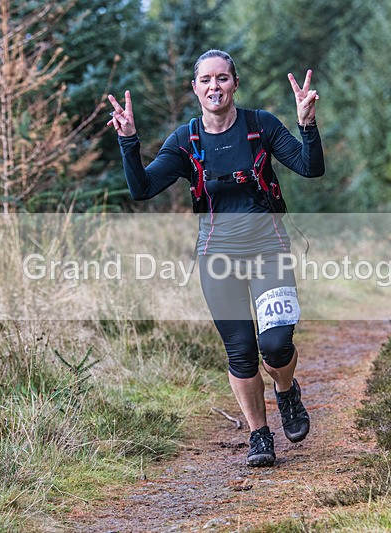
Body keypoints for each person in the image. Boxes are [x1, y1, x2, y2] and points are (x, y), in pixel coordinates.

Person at [107, 49, 324, 467]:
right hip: (217, 257)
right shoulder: (185, 140)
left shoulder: (261, 126)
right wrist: (128, 141)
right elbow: (143, 189)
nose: (214, 87)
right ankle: (260, 435)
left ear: (235, 84)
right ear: (195, 88)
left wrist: (307, 125)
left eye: (222, 78)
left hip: (268, 249)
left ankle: (286, 389)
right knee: (241, 352)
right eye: (205, 80)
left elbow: (310, 168)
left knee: (276, 345)